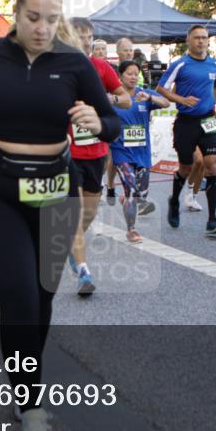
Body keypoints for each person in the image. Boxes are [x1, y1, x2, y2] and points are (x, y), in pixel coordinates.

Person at [0, 0, 120, 431]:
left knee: (42, 300)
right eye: (32, 18)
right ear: (16, 12)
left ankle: (23, 384)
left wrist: (96, 121)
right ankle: (32, 406)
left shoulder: (74, 62)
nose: (43, 28)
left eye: (51, 19)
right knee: (20, 297)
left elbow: (111, 122)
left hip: (54, 189)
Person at [66, 17, 131, 296]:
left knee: (88, 213)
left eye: (90, 37)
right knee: (75, 211)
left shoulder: (101, 67)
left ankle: (70, 242)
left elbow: (126, 98)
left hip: (96, 151)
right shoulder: (57, 69)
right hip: (67, 153)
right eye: (81, 36)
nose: (86, 42)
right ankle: (83, 271)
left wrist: (108, 100)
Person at [156, 25, 216, 235]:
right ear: (188, 40)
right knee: (186, 167)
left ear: (208, 41)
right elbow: (160, 88)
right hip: (186, 122)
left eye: (204, 38)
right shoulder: (180, 64)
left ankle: (213, 219)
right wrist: (181, 100)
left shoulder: (214, 64)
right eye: (196, 38)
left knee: (212, 165)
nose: (201, 41)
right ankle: (174, 202)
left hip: (208, 120)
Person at [110, 60, 170, 243]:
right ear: (120, 76)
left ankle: (126, 198)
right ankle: (131, 230)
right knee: (131, 189)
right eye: (129, 73)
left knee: (141, 194)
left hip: (142, 152)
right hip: (121, 151)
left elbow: (166, 102)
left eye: (136, 73)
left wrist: (150, 98)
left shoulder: (144, 94)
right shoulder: (114, 97)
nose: (133, 77)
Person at [106, 37, 147, 206]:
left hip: (135, 118)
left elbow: (142, 88)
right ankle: (110, 184)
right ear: (118, 52)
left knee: (131, 160)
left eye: (131, 49)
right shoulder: (112, 70)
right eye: (125, 50)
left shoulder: (138, 70)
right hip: (118, 116)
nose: (129, 52)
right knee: (115, 156)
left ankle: (129, 194)